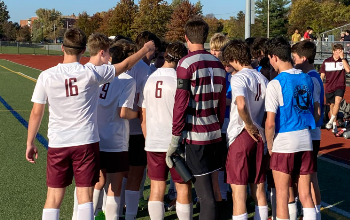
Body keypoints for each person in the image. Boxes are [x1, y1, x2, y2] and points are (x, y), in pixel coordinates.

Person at [25, 28, 154, 220]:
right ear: (84, 49)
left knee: (53, 196)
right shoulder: (91, 73)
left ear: (62, 47)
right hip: (85, 142)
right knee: (84, 194)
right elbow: (125, 65)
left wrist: (30, 142)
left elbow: (37, 112)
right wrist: (144, 50)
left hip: (58, 142)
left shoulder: (47, 75)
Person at [166, 17, 226, 220]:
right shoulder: (218, 63)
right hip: (215, 132)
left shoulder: (185, 63)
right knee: (212, 188)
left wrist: (175, 137)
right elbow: (221, 103)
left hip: (196, 135)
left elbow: (180, 104)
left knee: (205, 195)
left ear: (186, 38)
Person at [265, 36, 317, 220]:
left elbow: (270, 122)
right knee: (305, 195)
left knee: (282, 196)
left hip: (284, 140)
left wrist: (269, 145)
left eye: (269, 58)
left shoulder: (275, 83)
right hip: (305, 138)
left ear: (275, 57)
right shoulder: (307, 78)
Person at [139, 42, 192, 220]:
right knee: (183, 187)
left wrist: (150, 139)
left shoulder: (150, 78)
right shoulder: (180, 79)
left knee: (156, 188)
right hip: (176, 141)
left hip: (154, 141)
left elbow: (143, 117)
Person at [222, 40, 269, 220]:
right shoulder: (262, 78)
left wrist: (248, 123)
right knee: (258, 188)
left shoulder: (239, 77)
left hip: (242, 133)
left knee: (238, 193)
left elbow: (241, 104)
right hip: (259, 135)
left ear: (234, 58)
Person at [123, 30, 161, 220]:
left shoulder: (127, 67)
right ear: (148, 46)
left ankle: (114, 208)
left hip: (121, 128)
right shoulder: (145, 70)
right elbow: (143, 104)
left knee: (120, 173)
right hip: (138, 128)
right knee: (136, 173)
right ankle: (130, 212)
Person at [292, 40, 323, 220]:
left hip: (310, 133)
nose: (293, 62)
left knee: (309, 178)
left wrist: (309, 124)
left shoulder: (310, 78)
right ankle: (312, 212)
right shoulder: (313, 76)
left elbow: (317, 110)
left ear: (303, 58)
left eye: (295, 58)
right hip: (312, 132)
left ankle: (314, 213)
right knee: (310, 178)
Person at [209, 33, 231, 207]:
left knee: (226, 162)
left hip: (229, 123)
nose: (215, 54)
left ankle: (225, 194)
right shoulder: (210, 69)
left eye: (218, 51)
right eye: (213, 50)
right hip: (216, 123)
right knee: (217, 163)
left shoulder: (230, 72)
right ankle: (221, 195)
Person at [321, 44, 350, 133]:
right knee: (332, 106)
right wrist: (320, 85)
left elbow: (348, 70)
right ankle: (334, 124)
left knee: (338, 101)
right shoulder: (326, 61)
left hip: (340, 86)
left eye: (340, 51)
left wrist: (343, 58)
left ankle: (330, 121)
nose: (338, 53)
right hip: (329, 87)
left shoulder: (343, 61)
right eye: (337, 51)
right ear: (333, 52)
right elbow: (322, 75)